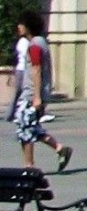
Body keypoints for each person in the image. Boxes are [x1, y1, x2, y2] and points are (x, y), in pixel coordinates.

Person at [11, 20, 69, 173]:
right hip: (33, 92)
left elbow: (36, 69)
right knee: (32, 128)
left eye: (21, 24)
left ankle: (29, 166)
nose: (18, 27)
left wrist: (36, 96)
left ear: (29, 27)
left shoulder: (35, 45)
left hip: (31, 94)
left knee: (26, 129)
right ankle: (60, 149)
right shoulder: (41, 42)